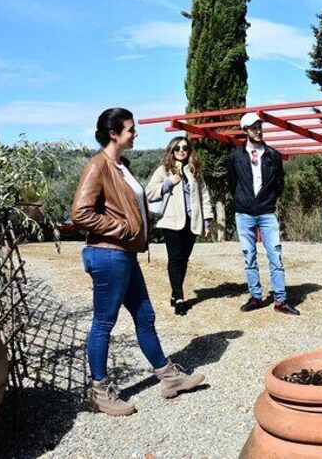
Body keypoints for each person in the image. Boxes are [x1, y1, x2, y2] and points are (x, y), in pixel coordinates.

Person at [72, 108, 205, 416]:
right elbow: (80, 213)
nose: (135, 133)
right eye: (131, 129)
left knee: (145, 315)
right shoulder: (99, 166)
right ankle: (99, 390)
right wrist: (125, 229)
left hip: (124, 254)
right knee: (104, 322)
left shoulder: (121, 166)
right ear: (113, 134)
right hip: (108, 254)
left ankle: (169, 377)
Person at [227, 112, 300, 316]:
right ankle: (256, 297)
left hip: (267, 212)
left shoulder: (273, 155)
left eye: (260, 126)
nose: (258, 130)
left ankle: (280, 300)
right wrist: (244, 200)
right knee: (249, 255)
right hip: (244, 213)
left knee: (275, 255)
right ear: (245, 131)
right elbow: (232, 184)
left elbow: (280, 185)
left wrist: (268, 201)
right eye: (253, 127)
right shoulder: (235, 157)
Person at [146, 136, 213, 316]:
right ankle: (179, 296)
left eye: (185, 147)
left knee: (184, 259)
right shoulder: (163, 170)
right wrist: (168, 183)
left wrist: (207, 221)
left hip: (192, 221)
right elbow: (149, 192)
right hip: (171, 222)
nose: (181, 151)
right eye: (177, 148)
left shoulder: (194, 170)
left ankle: (176, 293)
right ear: (171, 150)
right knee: (175, 258)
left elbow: (204, 195)